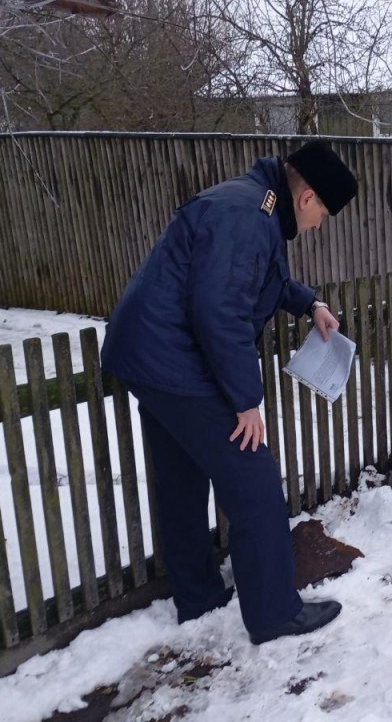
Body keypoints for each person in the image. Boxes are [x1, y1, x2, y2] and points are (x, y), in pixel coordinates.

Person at [101, 142, 357, 645]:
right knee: (255, 486)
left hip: (147, 357)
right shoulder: (248, 215)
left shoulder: (252, 203)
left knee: (181, 478)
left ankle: (196, 596)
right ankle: (273, 614)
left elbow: (255, 276)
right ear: (306, 198)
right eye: (324, 212)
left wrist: (310, 303)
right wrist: (245, 400)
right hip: (175, 360)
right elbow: (220, 311)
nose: (320, 223)